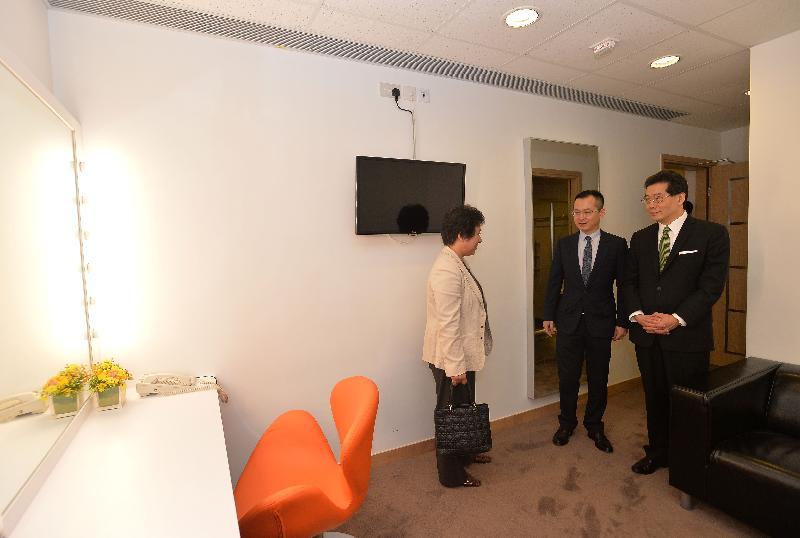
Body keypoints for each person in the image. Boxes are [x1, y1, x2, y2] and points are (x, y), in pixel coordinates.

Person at [623, 170, 729, 475]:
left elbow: (710, 287)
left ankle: (688, 460)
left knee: (687, 402)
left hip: (686, 337)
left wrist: (676, 318)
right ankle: (657, 452)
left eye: (658, 197)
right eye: (647, 198)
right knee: (654, 398)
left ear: (680, 197)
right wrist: (636, 316)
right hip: (647, 336)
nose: (651, 204)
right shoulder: (641, 238)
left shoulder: (711, 234)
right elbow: (629, 283)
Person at [542, 190, 628, 453]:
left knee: (598, 377)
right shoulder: (565, 244)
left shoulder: (616, 245)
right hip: (568, 321)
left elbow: (625, 286)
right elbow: (554, 281)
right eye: (577, 212)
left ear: (601, 213)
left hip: (601, 322)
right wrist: (548, 314)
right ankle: (566, 423)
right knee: (567, 377)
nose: (581, 217)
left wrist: (623, 320)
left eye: (587, 212)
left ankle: (594, 425)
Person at [422, 204, 493, 488]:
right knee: (450, 416)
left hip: (461, 356)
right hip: (450, 358)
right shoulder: (446, 270)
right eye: (478, 233)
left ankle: (465, 454)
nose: (480, 239)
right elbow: (448, 325)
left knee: (461, 410)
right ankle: (451, 476)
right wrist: (455, 367)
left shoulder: (456, 262)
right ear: (463, 234)